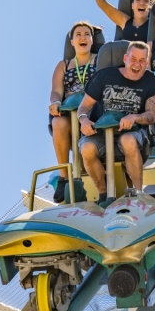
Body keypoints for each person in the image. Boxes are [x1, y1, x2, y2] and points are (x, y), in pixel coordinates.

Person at [77, 42, 155, 202]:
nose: (137, 64)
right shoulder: (104, 76)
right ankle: (104, 196)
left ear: (147, 63)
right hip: (102, 132)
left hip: (133, 132)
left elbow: (152, 116)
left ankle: (139, 194)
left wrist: (134, 117)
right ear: (125, 58)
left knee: (127, 140)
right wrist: (84, 120)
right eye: (133, 59)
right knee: (87, 148)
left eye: (142, 61)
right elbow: (83, 107)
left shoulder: (153, 81)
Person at [48, 22, 98, 202]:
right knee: (58, 122)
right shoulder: (64, 65)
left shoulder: (99, 60)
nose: (82, 37)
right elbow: (56, 90)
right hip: (69, 111)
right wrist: (55, 102)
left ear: (92, 40)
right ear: (72, 41)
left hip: (92, 110)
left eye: (87, 34)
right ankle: (63, 177)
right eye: (78, 34)